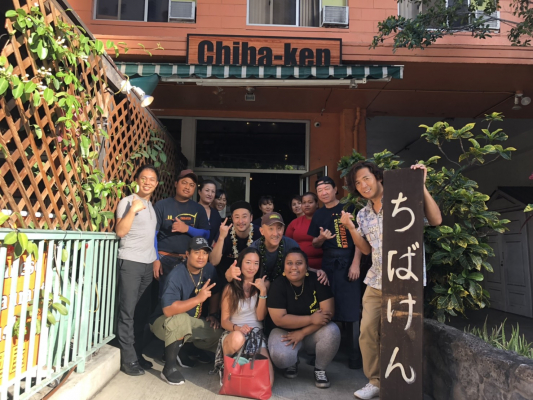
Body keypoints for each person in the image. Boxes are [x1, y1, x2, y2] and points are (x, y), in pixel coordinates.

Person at [343, 162, 442, 400]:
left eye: (366, 178)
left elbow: (436, 220)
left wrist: (420, 186)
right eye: (357, 183)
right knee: (367, 331)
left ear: (378, 177)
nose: (363, 185)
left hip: (405, 280)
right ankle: (375, 381)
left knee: (403, 332)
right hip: (376, 281)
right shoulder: (363, 214)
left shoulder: (404, 199)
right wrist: (351, 228)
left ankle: (403, 385)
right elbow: (366, 250)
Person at [150, 236, 223, 386]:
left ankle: (185, 349)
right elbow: (169, 310)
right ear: (187, 254)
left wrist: (213, 314)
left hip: (190, 321)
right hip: (162, 321)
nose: (201, 256)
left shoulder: (209, 269)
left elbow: (215, 292)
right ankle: (168, 368)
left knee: (218, 334)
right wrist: (198, 299)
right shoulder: (177, 274)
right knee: (180, 319)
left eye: (205, 253)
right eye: (197, 252)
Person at [308, 176, 362, 370]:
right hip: (328, 263)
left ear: (335, 189)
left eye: (326, 188)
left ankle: (354, 356)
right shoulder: (318, 214)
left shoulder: (349, 208)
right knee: (326, 305)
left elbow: (360, 237)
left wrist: (356, 264)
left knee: (351, 307)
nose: (323, 193)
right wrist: (321, 238)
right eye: (319, 190)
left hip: (348, 261)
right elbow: (314, 243)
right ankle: (324, 351)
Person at [267, 249, 340, 389]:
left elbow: (328, 314)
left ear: (306, 267)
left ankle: (320, 369)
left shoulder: (318, 280)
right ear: (284, 267)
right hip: (285, 332)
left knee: (332, 331)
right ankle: (292, 362)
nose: (294, 267)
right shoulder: (278, 285)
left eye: (299, 263)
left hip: (314, 332)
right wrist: (311, 319)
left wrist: (302, 332)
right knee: (281, 357)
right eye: (289, 263)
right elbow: (279, 320)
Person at [115, 165, 159, 376]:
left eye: (151, 179)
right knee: (128, 312)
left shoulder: (151, 206)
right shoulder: (127, 202)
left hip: (147, 264)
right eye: (144, 178)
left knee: (142, 312)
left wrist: (156, 259)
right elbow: (120, 232)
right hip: (131, 262)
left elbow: (151, 238)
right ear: (137, 180)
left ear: (156, 184)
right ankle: (128, 359)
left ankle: (137, 354)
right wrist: (132, 210)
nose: (147, 182)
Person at [215, 247, 274, 386]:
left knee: (268, 383)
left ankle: (244, 372)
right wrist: (238, 328)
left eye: (256, 263)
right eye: (248, 262)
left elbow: (260, 317)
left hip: (256, 335)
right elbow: (224, 321)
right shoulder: (230, 288)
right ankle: (226, 368)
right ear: (240, 264)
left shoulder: (263, 285)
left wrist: (263, 292)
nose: (252, 267)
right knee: (238, 337)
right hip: (234, 332)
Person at [153, 169, 210, 288]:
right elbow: (152, 235)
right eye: (184, 183)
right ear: (176, 184)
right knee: (164, 296)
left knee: (187, 295)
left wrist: (187, 229)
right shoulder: (162, 205)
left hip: (188, 261)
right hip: (164, 259)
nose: (187, 187)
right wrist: (155, 259)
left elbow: (206, 234)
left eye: (192, 185)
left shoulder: (198, 209)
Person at [210, 201, 261, 285]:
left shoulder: (259, 233)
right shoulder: (225, 232)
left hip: (251, 282)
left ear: (251, 218)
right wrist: (221, 237)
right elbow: (213, 262)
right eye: (237, 217)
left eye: (244, 216)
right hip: (226, 280)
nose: (240, 221)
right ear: (232, 218)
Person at [285, 192, 323, 272]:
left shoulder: (324, 220)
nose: (306, 205)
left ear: (317, 204)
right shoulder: (294, 223)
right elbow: (286, 243)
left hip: (323, 265)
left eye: (310, 202)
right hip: (298, 266)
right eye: (304, 203)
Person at [197, 179, 222, 245]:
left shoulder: (215, 214)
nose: (210, 194)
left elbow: (217, 234)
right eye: (207, 190)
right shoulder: (192, 209)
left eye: (213, 191)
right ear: (199, 192)